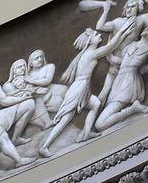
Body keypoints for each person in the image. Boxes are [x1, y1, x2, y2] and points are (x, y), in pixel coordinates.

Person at [38, 22, 135, 157]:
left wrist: (122, 33)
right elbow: (110, 47)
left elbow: (109, 47)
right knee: (66, 119)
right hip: (78, 89)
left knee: (95, 104)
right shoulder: (90, 53)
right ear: (90, 41)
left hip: (82, 87)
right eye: (96, 35)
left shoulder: (89, 53)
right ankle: (44, 146)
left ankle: (86, 133)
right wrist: (122, 31)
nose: (99, 35)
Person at [90, 0, 148, 109]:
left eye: (133, 6)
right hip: (115, 64)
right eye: (128, 7)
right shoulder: (118, 22)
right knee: (104, 93)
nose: (130, 9)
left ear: (139, 7)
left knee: (121, 98)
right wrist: (106, 9)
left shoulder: (143, 18)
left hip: (129, 64)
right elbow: (100, 26)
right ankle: (92, 125)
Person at [95, 21, 148, 131]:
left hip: (130, 82)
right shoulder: (131, 45)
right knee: (103, 118)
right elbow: (120, 61)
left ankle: (132, 109)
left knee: (100, 125)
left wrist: (142, 69)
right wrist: (109, 51)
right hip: (119, 81)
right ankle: (132, 108)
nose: (147, 28)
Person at [0, 59, 40, 145]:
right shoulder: (7, 85)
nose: (22, 68)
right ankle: (15, 138)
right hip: (10, 112)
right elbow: (14, 99)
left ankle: (16, 138)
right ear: (13, 71)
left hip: (22, 109)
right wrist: (25, 90)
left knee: (33, 101)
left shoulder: (28, 81)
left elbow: (30, 93)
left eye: (24, 66)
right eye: (19, 67)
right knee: (30, 103)